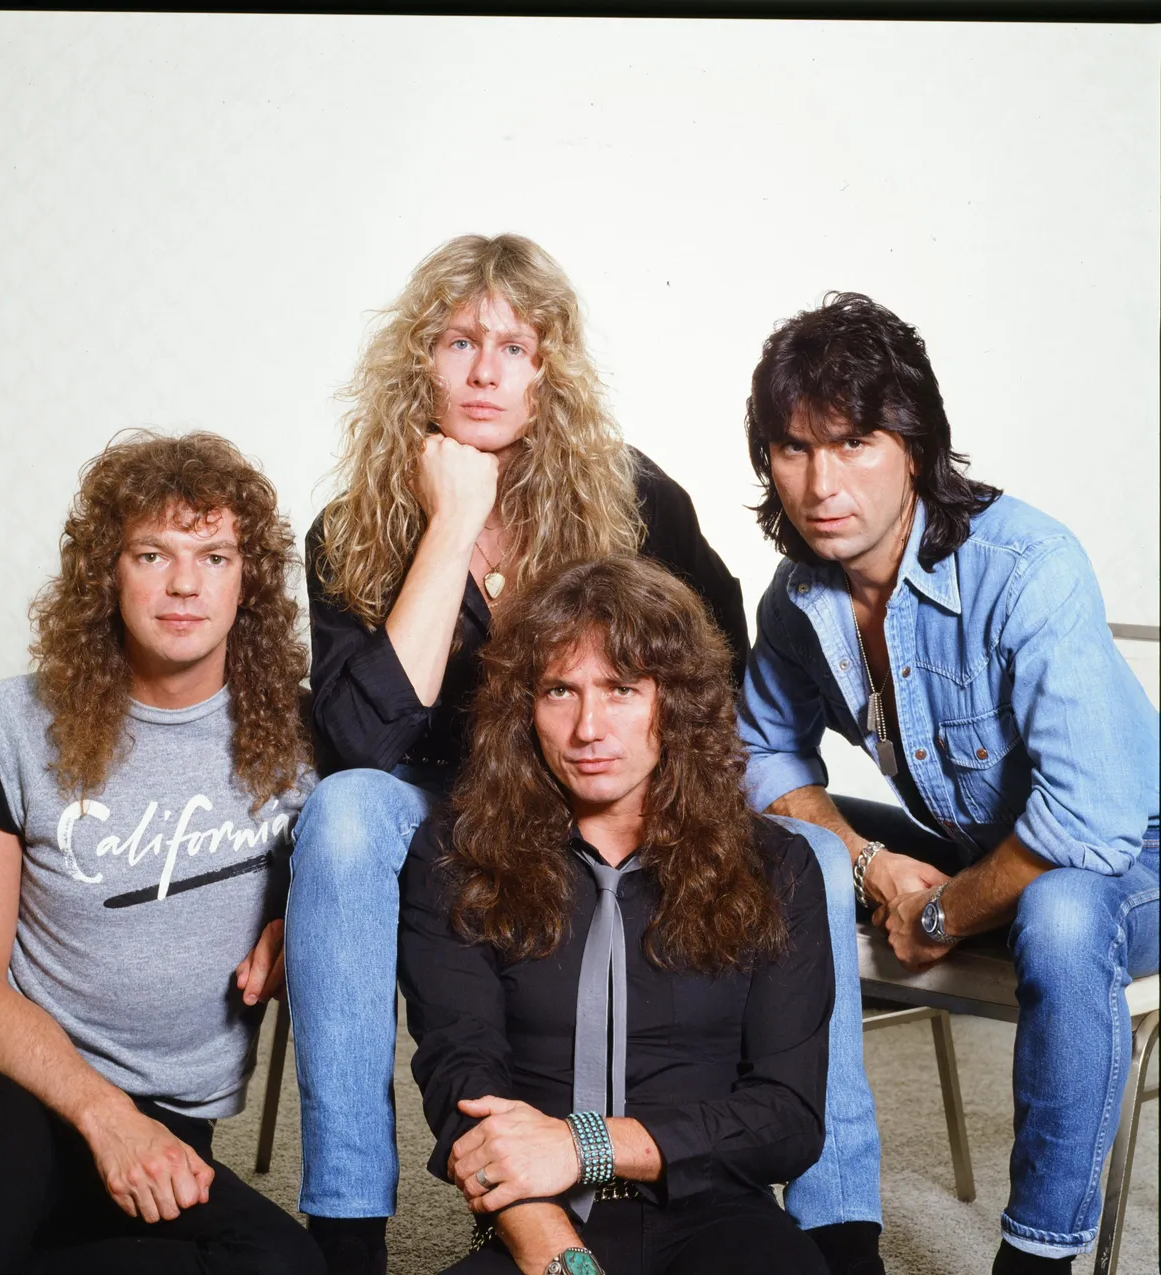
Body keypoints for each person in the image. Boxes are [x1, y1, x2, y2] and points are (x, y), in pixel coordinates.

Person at [283, 233, 879, 1274]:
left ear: (550, 369)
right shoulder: (349, 529)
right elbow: (359, 746)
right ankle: (346, 1229)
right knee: (340, 818)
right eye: (456, 342)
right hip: (445, 813)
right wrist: (449, 521)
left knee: (818, 864)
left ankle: (837, 1230)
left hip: (591, 791)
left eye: (514, 347)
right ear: (414, 360)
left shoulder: (629, 498)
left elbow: (707, 675)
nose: (482, 371)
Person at [736, 291, 1160, 1275]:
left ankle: (1035, 1256)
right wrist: (876, 869)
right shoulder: (800, 596)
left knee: (1057, 915)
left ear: (915, 449)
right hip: (983, 853)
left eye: (850, 445)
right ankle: (834, 1235)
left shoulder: (1026, 566)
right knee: (778, 859)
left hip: (1136, 857)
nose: (818, 483)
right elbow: (761, 759)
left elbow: (1090, 822)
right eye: (792, 449)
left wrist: (940, 916)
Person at [0, 431, 325, 1275]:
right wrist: (104, 1115)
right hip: (20, 1085)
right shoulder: (14, 726)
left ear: (247, 581)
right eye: (152, 553)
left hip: (175, 1117)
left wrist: (297, 918)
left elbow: (334, 872)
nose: (184, 583)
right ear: (108, 570)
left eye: (214, 555)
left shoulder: (302, 735)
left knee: (286, 1265)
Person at [398, 554, 833, 1275]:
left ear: (676, 702)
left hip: (717, 1213)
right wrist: (547, 1239)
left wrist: (588, 1143)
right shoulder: (457, 852)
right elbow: (460, 1071)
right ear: (523, 709)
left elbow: (787, 1117)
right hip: (538, 1217)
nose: (587, 727)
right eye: (559, 691)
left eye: (622, 689)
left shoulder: (775, 865)